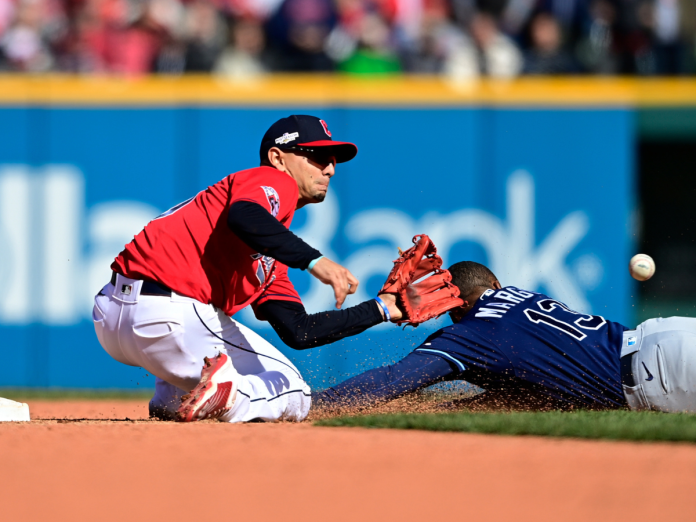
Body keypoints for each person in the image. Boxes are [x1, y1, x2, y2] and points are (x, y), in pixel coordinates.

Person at [93, 115, 403, 423]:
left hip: (113, 320)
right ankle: (231, 394)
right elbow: (245, 216)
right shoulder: (272, 180)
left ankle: (173, 398)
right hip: (167, 316)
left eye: (334, 160)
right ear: (277, 158)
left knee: (264, 369)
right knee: (294, 392)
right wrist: (315, 261)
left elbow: (300, 331)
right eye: (318, 156)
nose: (330, 169)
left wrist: (382, 309)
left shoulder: (271, 252)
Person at [315, 261, 696, 413]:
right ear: (494, 284)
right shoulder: (520, 296)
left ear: (452, 307)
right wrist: (452, 410)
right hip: (667, 332)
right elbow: (535, 387)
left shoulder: (467, 334)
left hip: (658, 375)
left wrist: (312, 404)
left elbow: (392, 379)